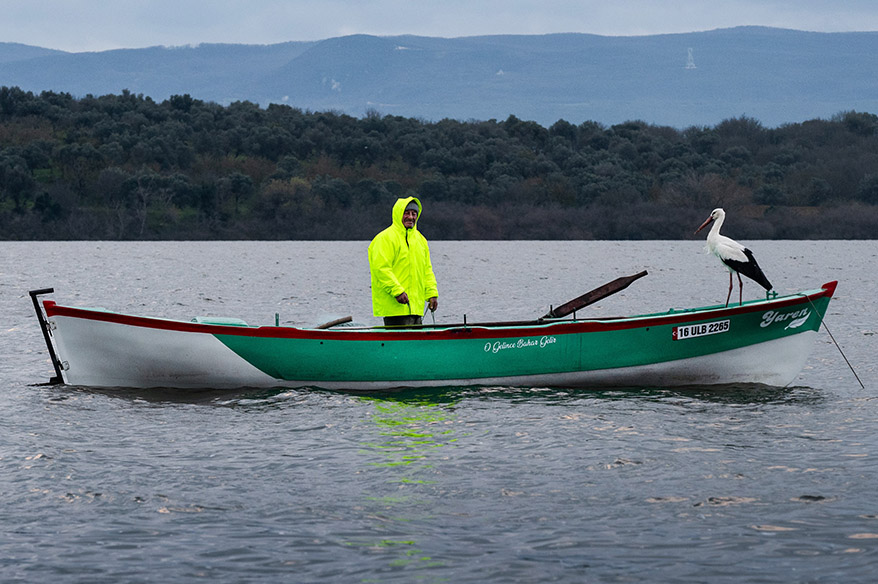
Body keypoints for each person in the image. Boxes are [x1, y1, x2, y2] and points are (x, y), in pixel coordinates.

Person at [368, 196, 439, 326]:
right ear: (398, 214)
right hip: (394, 308)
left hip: (416, 308)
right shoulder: (385, 238)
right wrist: (397, 291)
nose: (411, 217)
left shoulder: (421, 240)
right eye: (406, 213)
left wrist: (432, 294)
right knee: (400, 344)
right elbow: (381, 269)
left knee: (417, 344)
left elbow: (427, 270)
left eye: (414, 213)